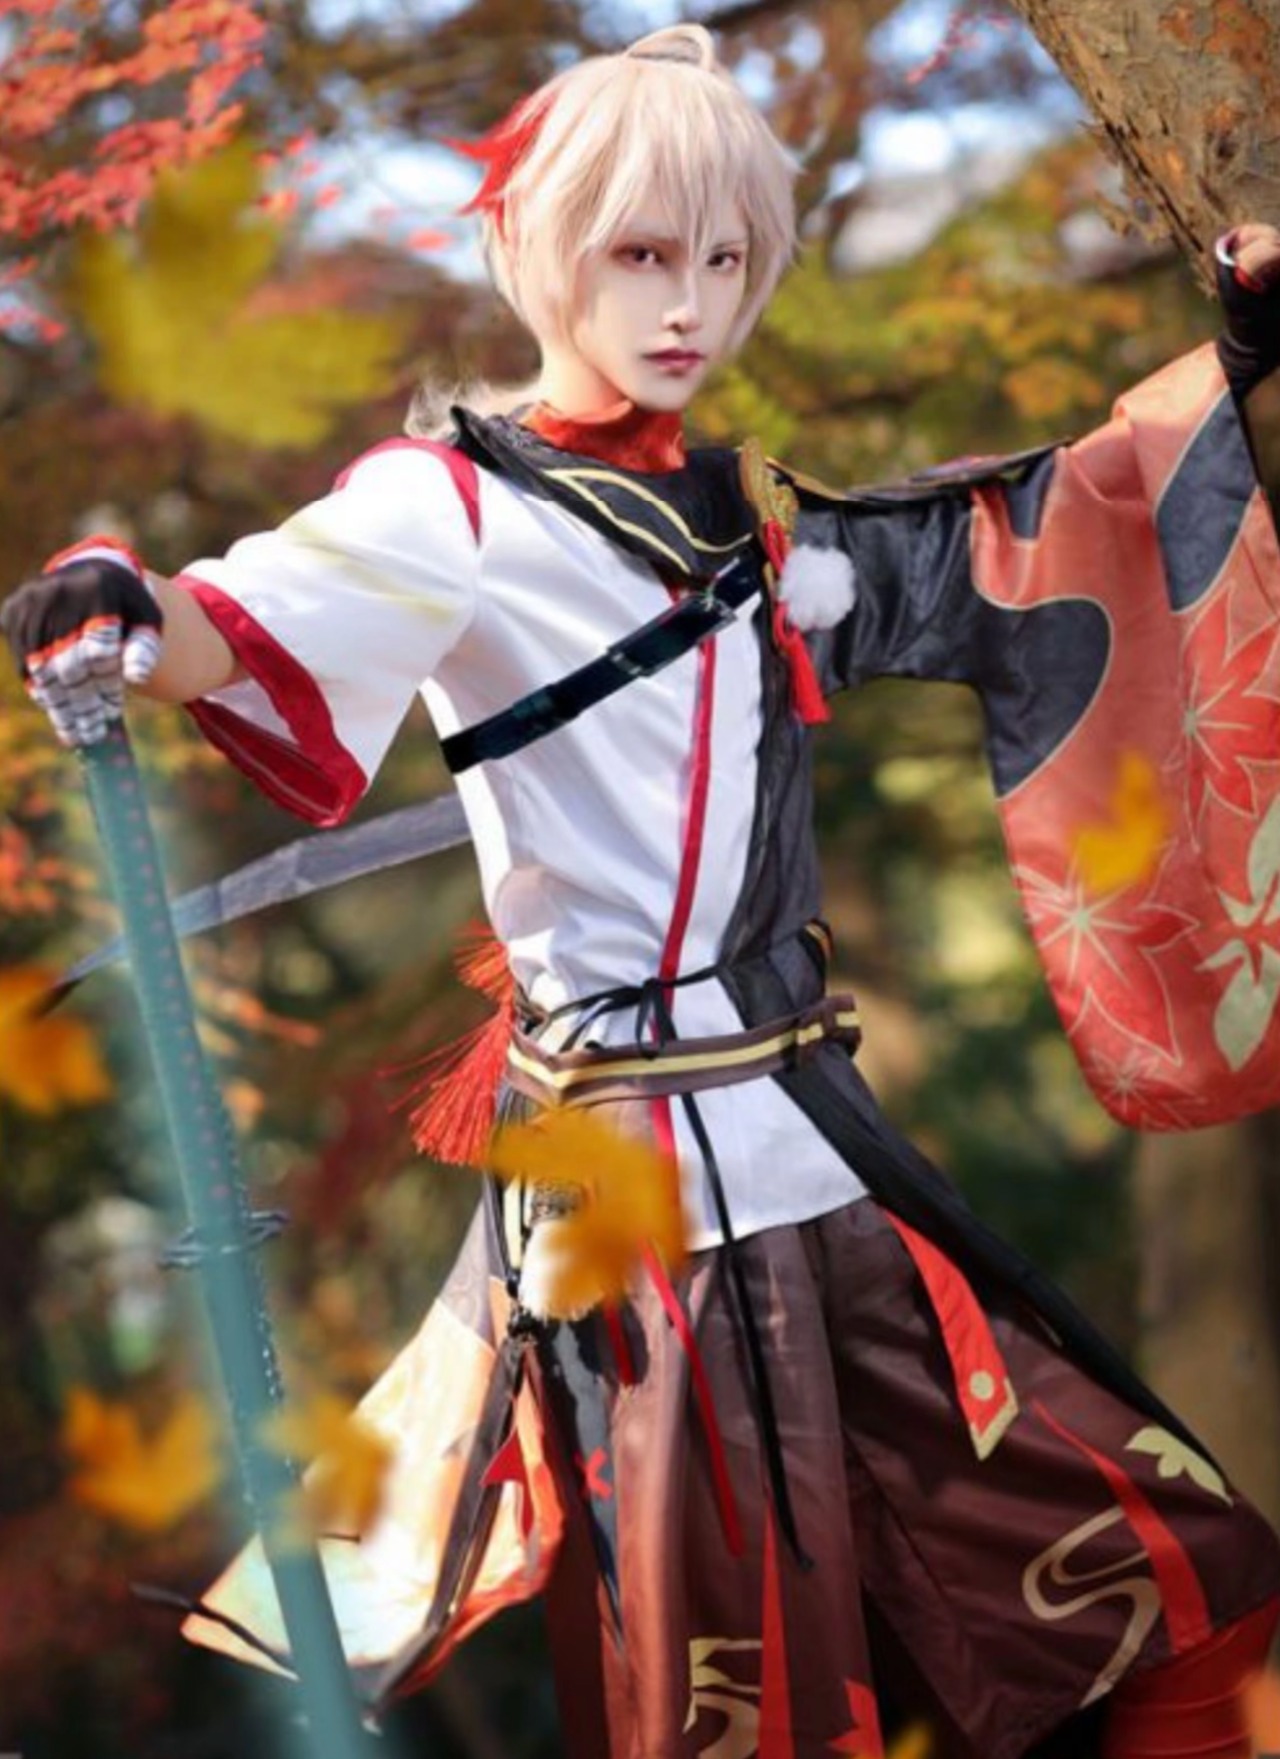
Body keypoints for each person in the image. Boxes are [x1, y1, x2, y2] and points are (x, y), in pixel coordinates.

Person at [5, 24, 1280, 1759]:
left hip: (828, 1167)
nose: (689, 304)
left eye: (727, 261)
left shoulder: (756, 520)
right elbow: (236, 621)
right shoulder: (446, 509)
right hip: (641, 1221)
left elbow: (1029, 528)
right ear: (539, 251)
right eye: (642, 254)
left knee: (1191, 1584)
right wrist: (120, 602)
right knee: (744, 1713)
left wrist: (1239, 361)